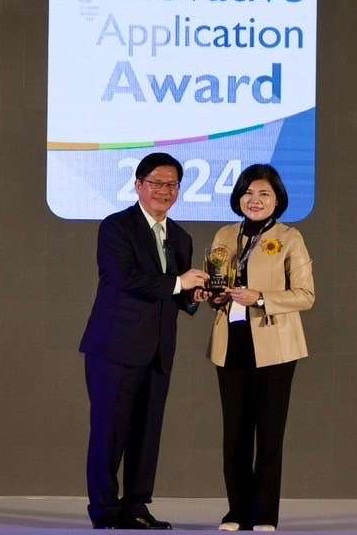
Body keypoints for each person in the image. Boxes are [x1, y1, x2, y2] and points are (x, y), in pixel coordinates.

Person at [80, 152, 209, 529]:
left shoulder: (180, 237)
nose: (164, 191)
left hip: (158, 350)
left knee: (147, 432)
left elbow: (175, 295)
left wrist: (194, 296)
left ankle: (136, 505)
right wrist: (179, 282)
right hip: (115, 348)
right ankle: (105, 510)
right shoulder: (116, 227)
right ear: (138, 185)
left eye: (172, 185)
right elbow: (122, 279)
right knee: (110, 431)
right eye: (156, 183)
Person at [204, 164, 314, 531]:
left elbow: (305, 295)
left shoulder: (289, 237)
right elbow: (216, 281)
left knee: (269, 432)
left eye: (264, 194)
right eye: (248, 193)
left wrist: (261, 298)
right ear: (238, 197)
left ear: (278, 199)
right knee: (234, 434)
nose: (255, 200)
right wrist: (212, 296)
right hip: (231, 342)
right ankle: (237, 511)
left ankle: (265, 513)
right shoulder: (224, 234)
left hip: (275, 345)